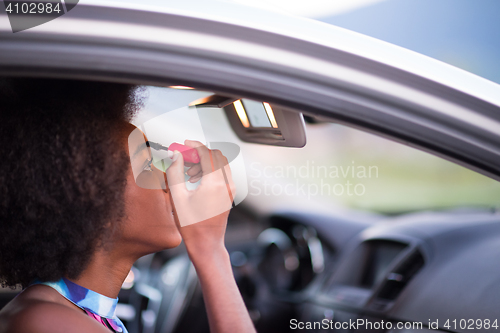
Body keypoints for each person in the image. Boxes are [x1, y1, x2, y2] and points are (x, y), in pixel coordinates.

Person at [0, 77, 255, 333]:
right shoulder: (47, 322)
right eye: (147, 165)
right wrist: (210, 250)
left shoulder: (64, 312)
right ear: (93, 202)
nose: (168, 179)